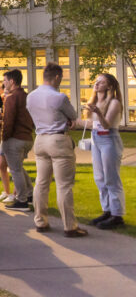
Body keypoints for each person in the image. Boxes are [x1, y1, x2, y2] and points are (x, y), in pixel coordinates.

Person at [25, 62, 87, 237]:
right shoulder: (60, 97)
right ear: (57, 77)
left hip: (40, 139)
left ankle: (40, 221)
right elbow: (73, 116)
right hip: (58, 139)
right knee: (64, 185)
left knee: (41, 183)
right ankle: (70, 226)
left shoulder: (30, 96)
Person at [82, 73, 125, 230]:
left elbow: (106, 125)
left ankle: (117, 215)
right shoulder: (95, 101)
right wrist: (73, 122)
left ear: (109, 86)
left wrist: (99, 113)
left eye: (101, 82)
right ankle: (107, 211)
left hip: (109, 139)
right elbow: (91, 122)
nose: (97, 83)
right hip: (96, 139)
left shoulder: (114, 103)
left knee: (111, 178)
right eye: (96, 81)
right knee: (99, 177)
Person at [0, 69, 35, 211]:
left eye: (5, 81)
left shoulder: (12, 98)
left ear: (12, 81)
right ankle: (29, 194)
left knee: (15, 170)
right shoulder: (27, 96)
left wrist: (4, 138)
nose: (3, 83)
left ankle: (22, 200)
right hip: (27, 137)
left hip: (15, 138)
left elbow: (9, 121)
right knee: (18, 167)